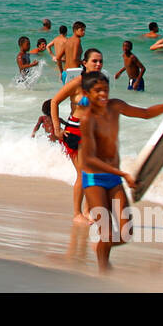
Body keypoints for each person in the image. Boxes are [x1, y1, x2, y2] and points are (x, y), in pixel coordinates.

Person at [75, 71, 163, 270]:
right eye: (97, 91)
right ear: (87, 93)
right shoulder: (87, 119)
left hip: (113, 178)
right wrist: (124, 175)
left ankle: (101, 249)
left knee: (126, 233)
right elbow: (90, 159)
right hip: (94, 180)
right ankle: (103, 268)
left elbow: (145, 113)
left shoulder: (116, 106)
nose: (103, 94)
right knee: (107, 232)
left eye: (106, 89)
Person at [48, 48, 106, 224]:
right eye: (94, 61)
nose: (98, 64)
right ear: (84, 63)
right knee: (83, 174)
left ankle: (88, 211)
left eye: (100, 61)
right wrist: (57, 129)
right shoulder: (78, 82)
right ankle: (76, 214)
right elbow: (54, 101)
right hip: (75, 132)